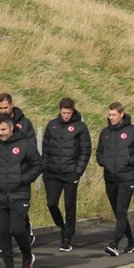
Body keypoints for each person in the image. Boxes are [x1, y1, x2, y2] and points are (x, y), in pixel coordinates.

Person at [0, 114, 43, 268]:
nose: (0, 133)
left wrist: (24, 179)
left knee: (17, 229)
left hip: (19, 194)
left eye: (3, 129)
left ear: (11, 127)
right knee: (2, 233)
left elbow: (38, 165)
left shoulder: (25, 144)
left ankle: (27, 258)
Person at [96, 102, 134, 256]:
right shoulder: (104, 133)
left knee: (121, 210)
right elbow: (99, 152)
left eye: (114, 115)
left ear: (121, 114)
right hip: (110, 177)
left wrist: (129, 161)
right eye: (109, 115)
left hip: (127, 178)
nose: (111, 117)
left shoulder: (133, 131)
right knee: (119, 214)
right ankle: (132, 242)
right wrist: (103, 161)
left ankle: (115, 243)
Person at [0, 93, 36, 251]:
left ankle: (25, 231)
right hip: (1, 174)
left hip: (19, 174)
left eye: (5, 107)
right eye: (0, 108)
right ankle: (4, 242)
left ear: (12, 105)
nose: (3, 110)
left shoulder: (25, 124)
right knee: (4, 211)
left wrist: (24, 176)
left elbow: (32, 151)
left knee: (17, 210)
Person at [41, 97, 91, 252]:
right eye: (63, 112)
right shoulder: (52, 125)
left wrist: (78, 171)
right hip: (52, 173)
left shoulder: (80, 127)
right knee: (51, 203)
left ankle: (68, 237)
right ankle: (62, 227)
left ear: (73, 110)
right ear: (59, 110)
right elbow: (45, 147)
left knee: (70, 206)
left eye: (68, 113)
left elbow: (85, 150)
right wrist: (44, 166)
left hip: (70, 173)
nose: (66, 115)